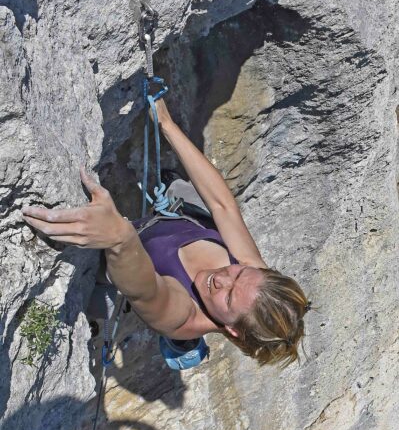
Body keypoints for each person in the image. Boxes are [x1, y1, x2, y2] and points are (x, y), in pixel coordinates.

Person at [22, 98, 308, 367]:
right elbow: (223, 206)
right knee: (194, 198)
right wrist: (166, 123)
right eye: (238, 274)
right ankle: (169, 203)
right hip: (176, 225)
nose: (222, 278)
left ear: (232, 329)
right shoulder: (253, 281)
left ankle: (181, 347)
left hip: (128, 258)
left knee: (95, 287)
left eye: (229, 297)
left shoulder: (182, 318)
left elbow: (146, 290)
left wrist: (120, 237)